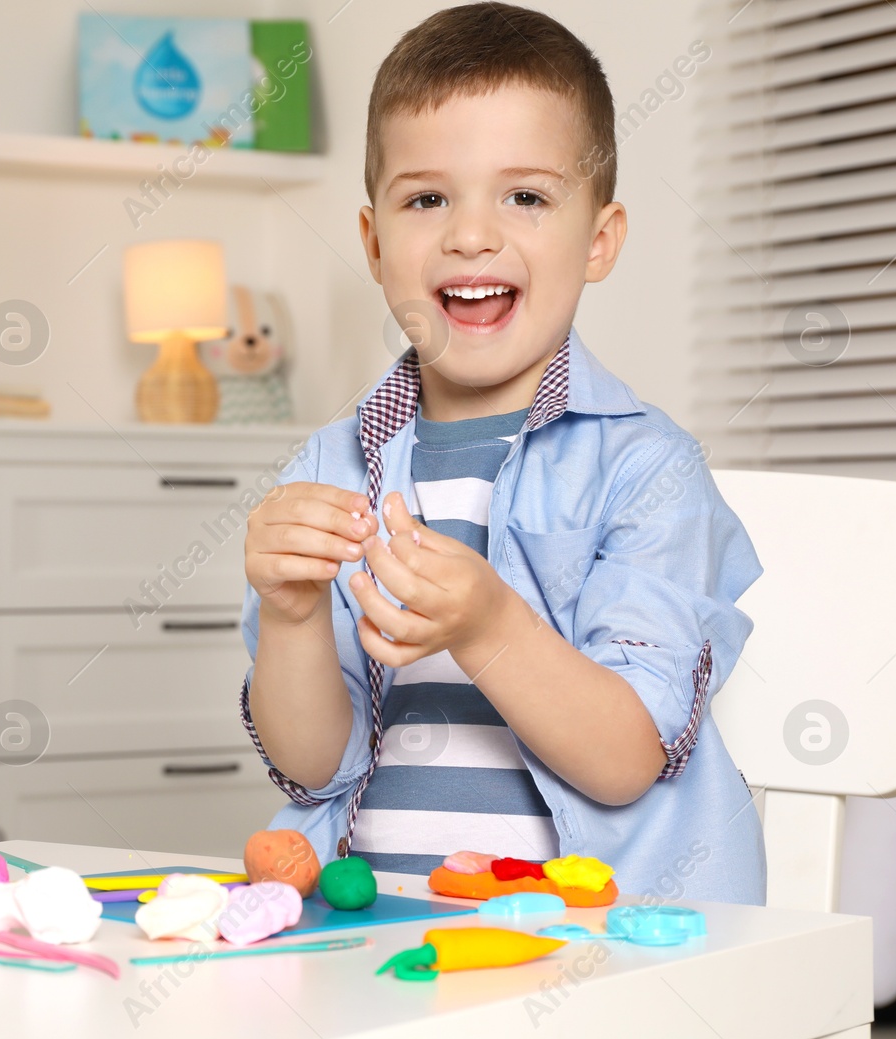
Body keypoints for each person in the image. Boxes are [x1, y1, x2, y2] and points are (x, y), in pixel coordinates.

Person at [239, 2, 766, 905]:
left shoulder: (647, 471)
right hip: (372, 944)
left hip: (592, 954)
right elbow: (309, 768)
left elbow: (626, 759)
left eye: (525, 196)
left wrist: (491, 628)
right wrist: (289, 617)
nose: (470, 234)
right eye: (427, 198)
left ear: (598, 240)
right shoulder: (329, 467)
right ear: (373, 242)